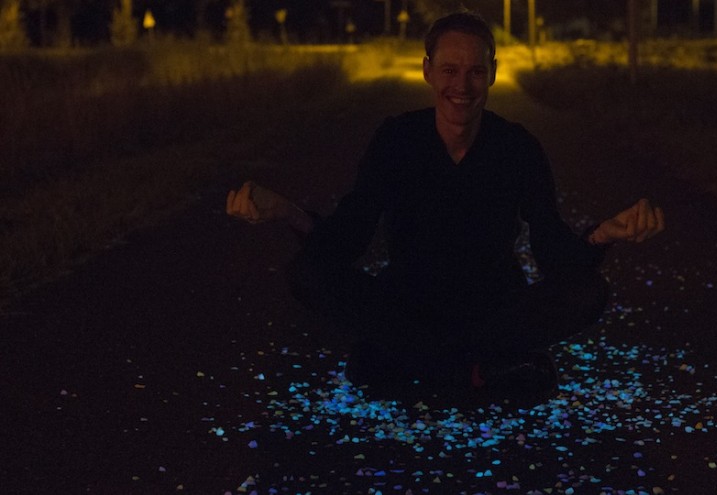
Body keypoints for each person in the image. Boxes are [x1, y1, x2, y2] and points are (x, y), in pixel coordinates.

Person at [227, 11, 664, 402]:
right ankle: (477, 369)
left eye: (475, 71)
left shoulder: (516, 146)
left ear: (492, 74)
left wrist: (606, 233)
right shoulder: (397, 139)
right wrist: (284, 211)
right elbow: (348, 236)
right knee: (306, 272)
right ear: (428, 71)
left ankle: (412, 365)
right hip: (408, 305)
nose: (462, 85)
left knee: (589, 291)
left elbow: (553, 251)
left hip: (492, 309)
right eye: (450, 70)